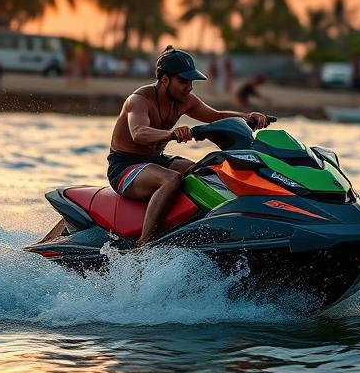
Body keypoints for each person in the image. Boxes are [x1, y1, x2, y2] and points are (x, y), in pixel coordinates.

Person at [108, 46, 269, 247]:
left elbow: (216, 116)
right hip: (124, 167)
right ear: (164, 79)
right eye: (184, 81)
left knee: (205, 171)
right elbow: (139, 133)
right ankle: (144, 242)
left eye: (191, 81)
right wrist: (171, 133)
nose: (189, 87)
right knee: (171, 179)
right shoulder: (139, 100)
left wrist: (247, 117)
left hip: (156, 161)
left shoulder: (184, 101)